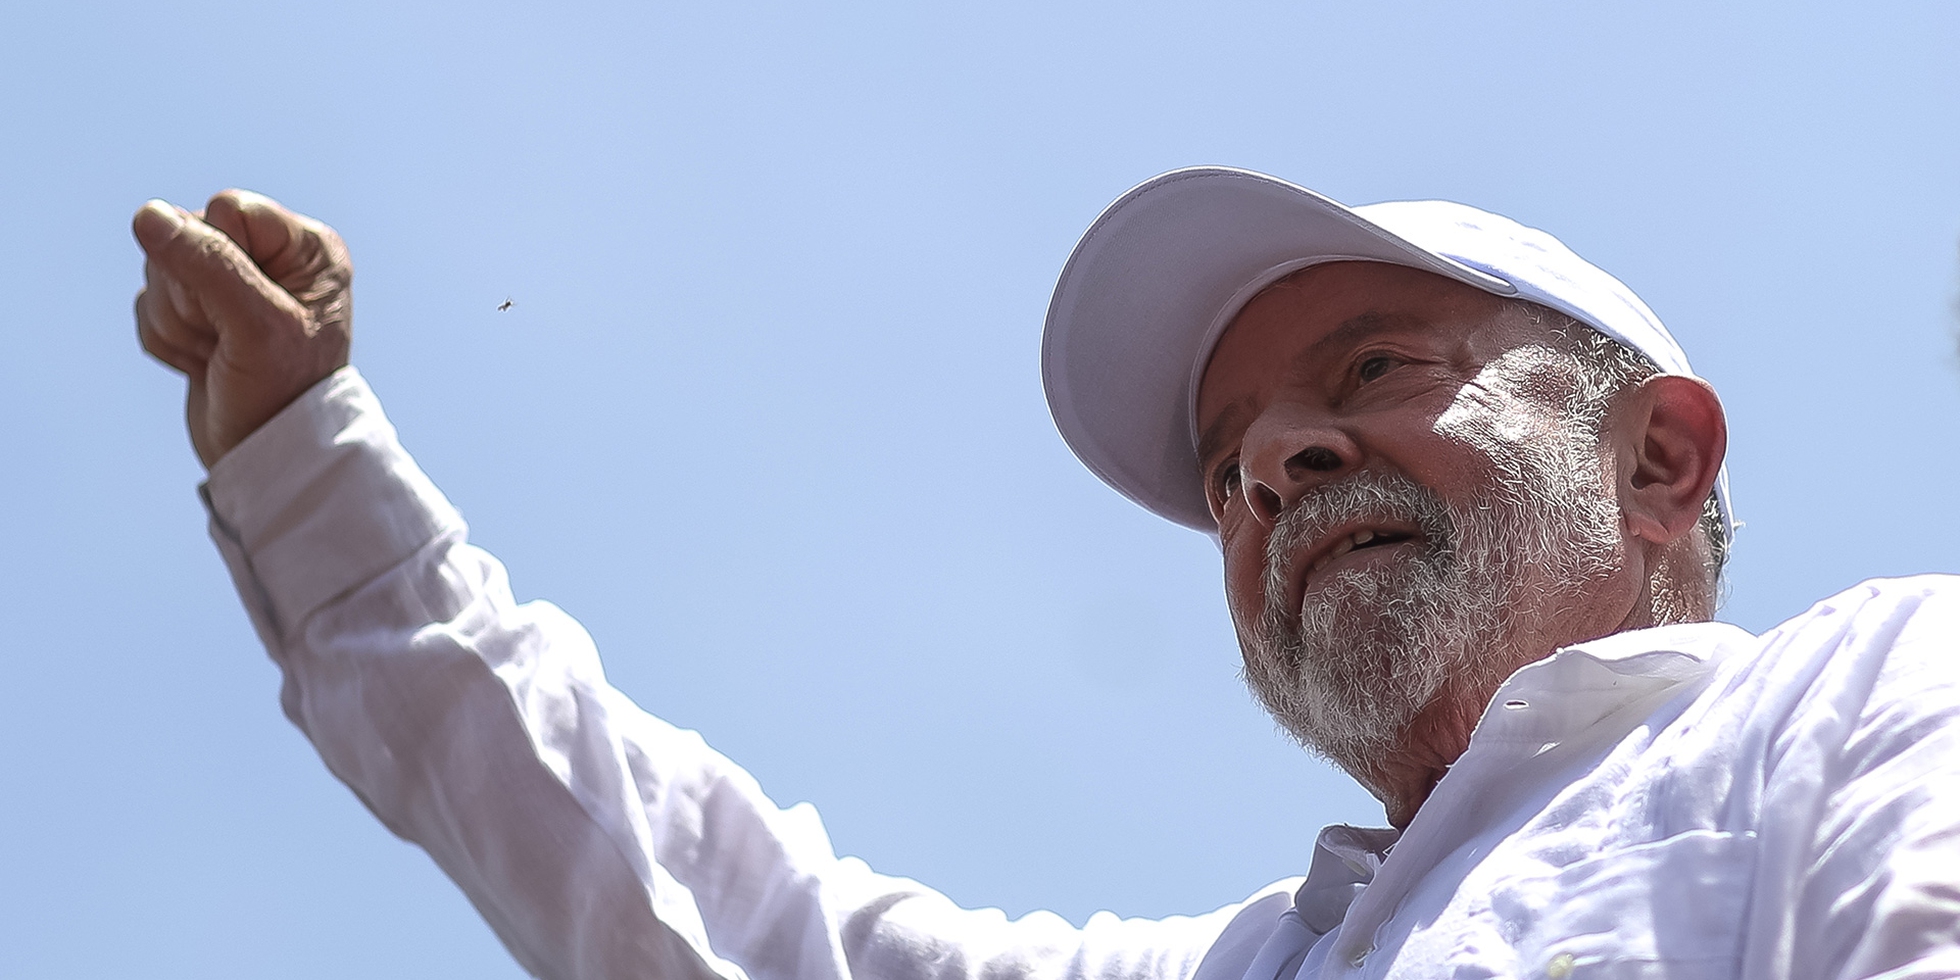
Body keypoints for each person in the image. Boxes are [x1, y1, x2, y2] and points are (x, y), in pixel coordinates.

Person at [131, 168, 1960, 980]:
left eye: (1372, 369)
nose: (1272, 466)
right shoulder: (1255, 964)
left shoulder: (1867, 703)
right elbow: (721, 916)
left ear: (1656, 463)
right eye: (1227, 466)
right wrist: (304, 458)